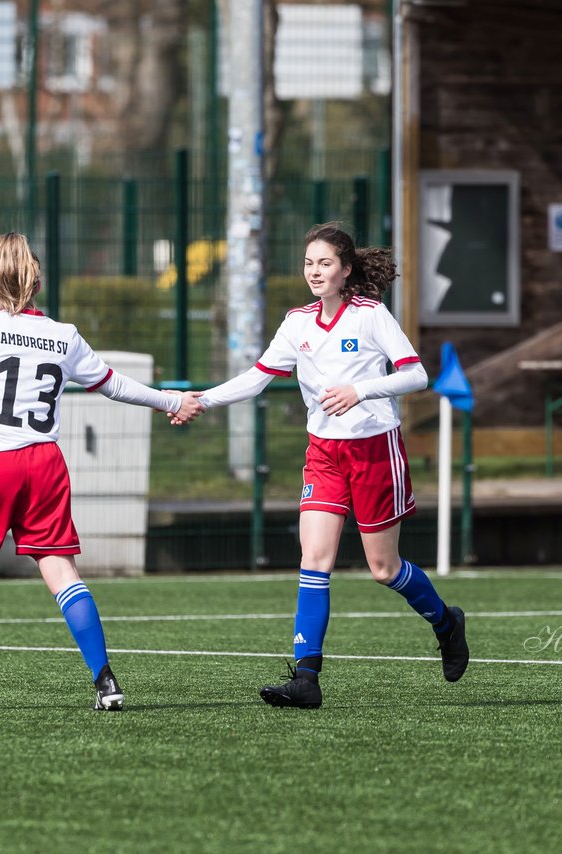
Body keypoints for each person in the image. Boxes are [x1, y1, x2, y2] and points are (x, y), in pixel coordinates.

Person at [0, 232, 202, 712]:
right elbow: (113, 384)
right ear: (36, 281)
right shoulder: (63, 334)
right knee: (62, 572)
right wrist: (170, 401)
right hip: (45, 465)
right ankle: (106, 681)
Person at [182, 222, 468, 708]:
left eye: (325, 263)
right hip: (324, 454)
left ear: (346, 270)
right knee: (314, 560)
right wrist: (201, 400)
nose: (315, 271)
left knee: (383, 568)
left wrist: (361, 389)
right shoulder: (297, 322)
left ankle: (445, 622)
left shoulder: (371, 315)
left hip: (375, 451)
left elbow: (416, 375)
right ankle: (307, 678)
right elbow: (256, 378)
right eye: (309, 263)